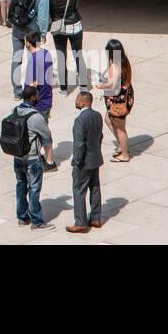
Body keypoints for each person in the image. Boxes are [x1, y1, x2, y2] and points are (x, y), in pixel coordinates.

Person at [10, 85, 53, 230]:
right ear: (33, 97)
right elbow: (47, 137)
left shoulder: (15, 111)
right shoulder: (36, 117)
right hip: (32, 159)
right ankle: (37, 221)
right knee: (34, 189)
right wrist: (49, 159)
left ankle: (22, 217)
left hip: (17, 157)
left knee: (21, 186)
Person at [6, 0, 49, 98]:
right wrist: (43, 34)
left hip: (18, 27)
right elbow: (43, 18)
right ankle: (29, 90)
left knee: (16, 58)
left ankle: (17, 92)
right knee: (32, 61)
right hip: (32, 32)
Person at [68, 91, 104, 232]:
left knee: (79, 190)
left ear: (83, 102)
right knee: (95, 188)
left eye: (77, 99)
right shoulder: (97, 116)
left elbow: (79, 144)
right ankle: (95, 218)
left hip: (84, 161)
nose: (76, 102)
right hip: (95, 158)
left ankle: (81, 222)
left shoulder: (80, 120)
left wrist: (76, 161)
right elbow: (100, 136)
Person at [47, 0, 86, 92]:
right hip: (75, 25)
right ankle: (83, 85)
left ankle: (63, 89)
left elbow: (49, 12)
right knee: (78, 55)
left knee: (61, 57)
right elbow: (75, 6)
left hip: (59, 29)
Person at [94, 39, 133, 162]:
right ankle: (122, 145)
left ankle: (125, 153)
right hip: (123, 97)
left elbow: (111, 83)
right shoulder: (122, 61)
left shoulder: (114, 66)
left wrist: (101, 86)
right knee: (108, 120)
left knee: (120, 128)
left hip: (118, 102)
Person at [22, 32, 56, 170]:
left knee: (42, 133)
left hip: (38, 103)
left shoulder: (34, 60)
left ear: (28, 43)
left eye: (25, 40)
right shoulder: (46, 53)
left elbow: (33, 84)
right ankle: (45, 158)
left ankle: (49, 161)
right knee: (42, 130)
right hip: (46, 99)